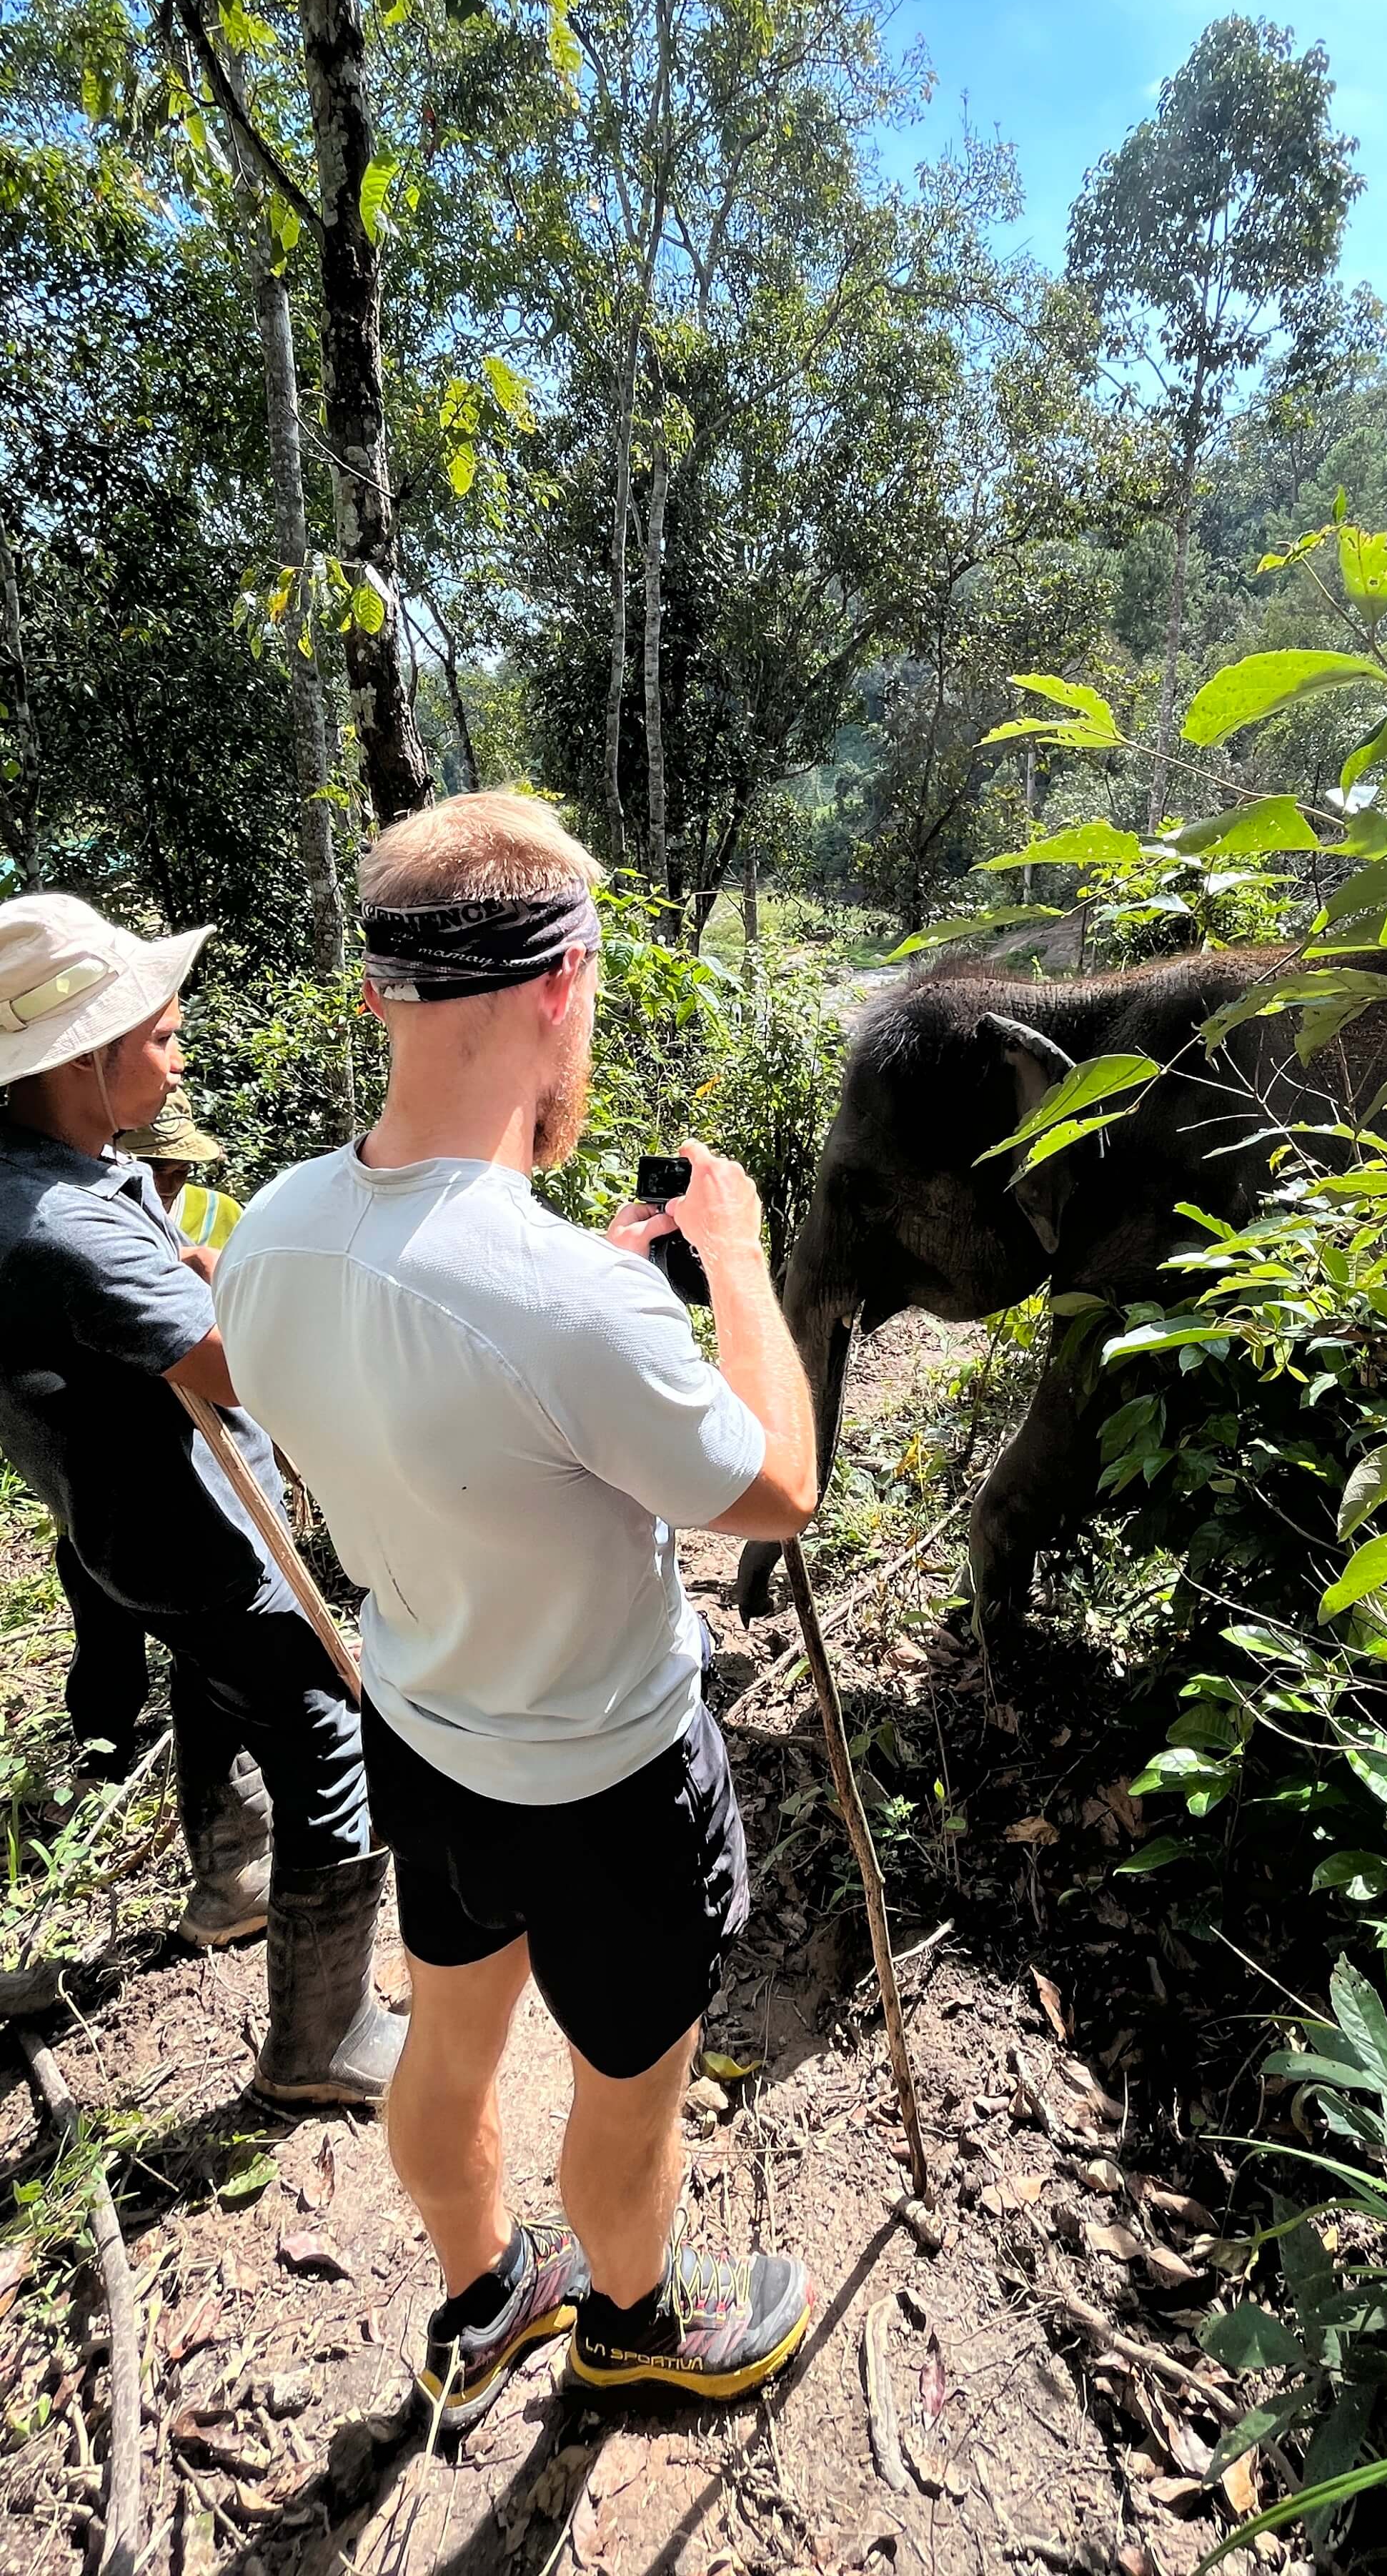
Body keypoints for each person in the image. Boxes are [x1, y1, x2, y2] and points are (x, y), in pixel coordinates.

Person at [215, 791, 819, 2434]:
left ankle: (484, 2296)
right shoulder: (573, 1302)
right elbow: (773, 1490)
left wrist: (596, 1316)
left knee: (452, 2036)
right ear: (564, 980)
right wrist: (739, 1265)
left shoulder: (266, 1234)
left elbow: (435, 1380)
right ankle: (633, 2324)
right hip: (614, 1783)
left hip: (422, 1731)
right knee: (629, 2105)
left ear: (381, 996)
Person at [0, 892, 402, 2107]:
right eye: (162, 1038)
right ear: (82, 1058)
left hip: (108, 1523)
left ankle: (230, 1883)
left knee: (209, 1671)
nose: (178, 1058)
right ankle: (318, 2042)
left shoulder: (36, 1175)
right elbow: (250, 1371)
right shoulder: (70, 1225)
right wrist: (263, 1294)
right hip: (191, 1529)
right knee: (327, 1729)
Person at [122, 1087, 244, 1252]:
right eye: (156, 1170)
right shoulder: (100, 1213)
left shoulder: (221, 1211)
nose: (169, 1186)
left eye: (182, 1170)